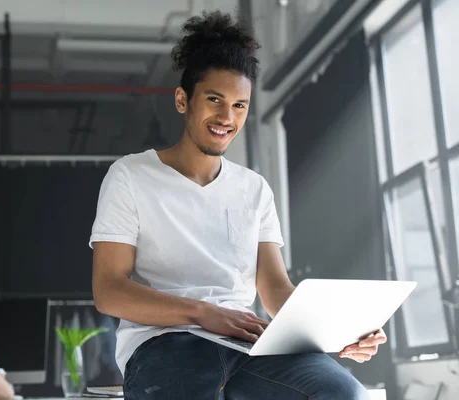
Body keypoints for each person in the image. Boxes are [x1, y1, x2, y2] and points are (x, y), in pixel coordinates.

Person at [90, 10, 387, 400]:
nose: (226, 117)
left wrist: (341, 330)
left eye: (240, 105)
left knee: (345, 394)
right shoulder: (130, 176)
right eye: (215, 100)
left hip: (249, 344)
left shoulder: (254, 189)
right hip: (163, 344)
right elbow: (110, 290)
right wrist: (201, 312)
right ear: (183, 100)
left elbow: (275, 288)